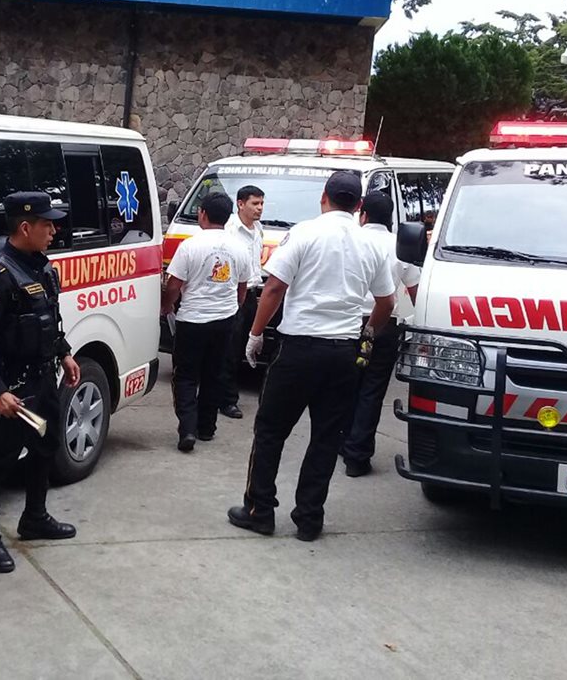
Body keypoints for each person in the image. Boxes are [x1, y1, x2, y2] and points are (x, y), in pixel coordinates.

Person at [227, 171, 395, 541]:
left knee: (270, 430)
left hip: (299, 348)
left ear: (324, 197)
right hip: (343, 353)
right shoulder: (371, 245)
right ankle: (309, 518)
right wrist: (367, 333)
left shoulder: (304, 232)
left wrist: (254, 335)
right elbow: (387, 302)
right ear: (358, 207)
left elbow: (273, 288)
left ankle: (260, 510)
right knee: (326, 437)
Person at [0, 192, 81, 574]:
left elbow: (48, 320)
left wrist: (64, 352)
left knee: (46, 449)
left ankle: (34, 518)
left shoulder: (42, 269)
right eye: (47, 224)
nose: (54, 229)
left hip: (46, 381)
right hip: (15, 391)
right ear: (26, 227)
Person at [162, 192, 254, 452]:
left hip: (192, 319)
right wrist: (232, 309)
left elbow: (174, 285)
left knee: (186, 377)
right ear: (228, 216)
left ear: (202, 214)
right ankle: (206, 428)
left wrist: (167, 305)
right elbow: (242, 288)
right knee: (214, 374)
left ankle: (187, 429)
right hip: (225, 320)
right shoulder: (239, 247)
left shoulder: (190, 245)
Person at [341, 190, 420, 477]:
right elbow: (415, 291)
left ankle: (342, 442)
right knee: (372, 391)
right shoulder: (399, 245)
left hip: (348, 322)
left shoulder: (350, 241)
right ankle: (357, 456)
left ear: (363, 214)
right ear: (391, 219)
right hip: (386, 326)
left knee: (347, 385)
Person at [217, 184, 266, 419]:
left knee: (249, 345)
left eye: (261, 204)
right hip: (233, 293)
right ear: (240, 204)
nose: (259, 209)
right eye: (255, 204)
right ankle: (226, 400)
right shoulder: (229, 230)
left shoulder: (259, 229)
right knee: (230, 349)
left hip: (253, 293)